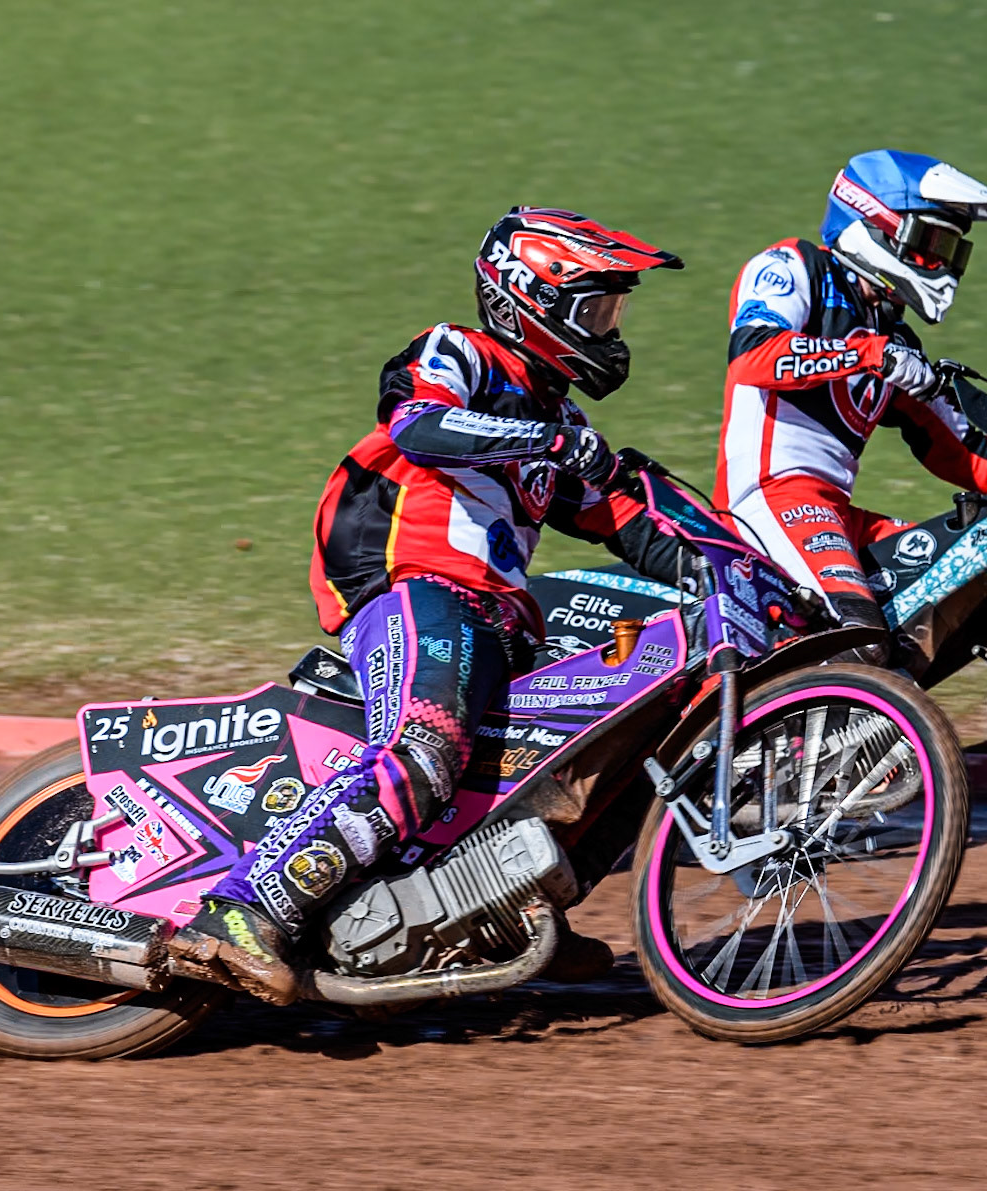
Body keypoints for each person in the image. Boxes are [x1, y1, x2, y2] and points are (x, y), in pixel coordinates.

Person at [180, 207, 688, 1003]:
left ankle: (503, 911)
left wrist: (731, 566)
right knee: (424, 750)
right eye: (593, 307)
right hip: (415, 584)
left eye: (612, 310)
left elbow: (624, 521)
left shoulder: (561, 419)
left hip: (500, 615)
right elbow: (418, 425)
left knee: (604, 748)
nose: (608, 326)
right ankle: (241, 911)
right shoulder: (462, 351)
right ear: (528, 298)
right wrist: (545, 442)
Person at [712, 149, 987, 650]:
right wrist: (867, 355)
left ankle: (881, 717)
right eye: (930, 244)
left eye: (952, 252)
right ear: (876, 223)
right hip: (770, 498)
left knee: (973, 575)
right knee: (861, 636)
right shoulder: (792, 266)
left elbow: (955, 445)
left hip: (836, 514)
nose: (941, 265)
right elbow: (753, 357)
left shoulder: (893, 336)